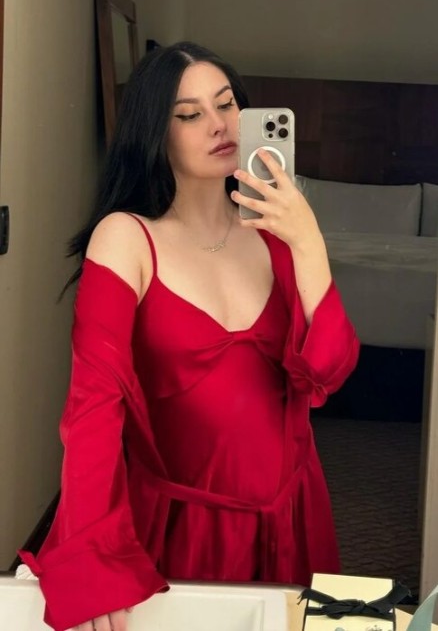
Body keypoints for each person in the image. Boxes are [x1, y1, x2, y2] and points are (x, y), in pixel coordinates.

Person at [19, 41, 360, 631]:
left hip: (293, 512)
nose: (218, 125)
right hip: (183, 528)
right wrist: (92, 553)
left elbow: (329, 371)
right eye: (189, 114)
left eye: (226, 105)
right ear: (156, 131)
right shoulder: (126, 238)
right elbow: (93, 406)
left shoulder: (276, 236)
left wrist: (309, 243)